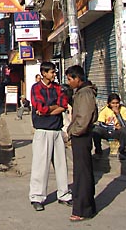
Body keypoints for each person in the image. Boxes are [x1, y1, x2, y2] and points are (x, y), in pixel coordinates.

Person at [29, 61, 72, 212]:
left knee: (61, 165)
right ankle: (37, 196)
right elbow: (40, 107)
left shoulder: (58, 88)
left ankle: (64, 194)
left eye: (54, 72)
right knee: (41, 165)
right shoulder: (36, 88)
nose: (54, 74)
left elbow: (63, 104)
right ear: (44, 73)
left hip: (57, 130)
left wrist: (49, 110)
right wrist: (54, 108)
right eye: (52, 72)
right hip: (42, 131)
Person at [66, 65, 98, 222]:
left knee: (82, 174)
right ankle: (88, 207)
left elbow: (83, 118)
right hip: (81, 135)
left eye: (70, 79)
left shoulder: (85, 93)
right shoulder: (82, 92)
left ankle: (82, 209)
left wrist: (74, 132)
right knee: (83, 171)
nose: (69, 82)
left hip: (82, 136)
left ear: (78, 78)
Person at [92, 92, 126, 156]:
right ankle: (98, 151)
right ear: (109, 103)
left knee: (125, 130)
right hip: (107, 131)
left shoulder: (123, 110)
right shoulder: (105, 110)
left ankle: (122, 152)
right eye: (113, 103)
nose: (115, 105)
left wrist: (118, 114)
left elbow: (124, 125)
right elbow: (101, 124)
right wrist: (113, 127)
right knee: (96, 130)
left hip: (117, 132)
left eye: (117, 103)